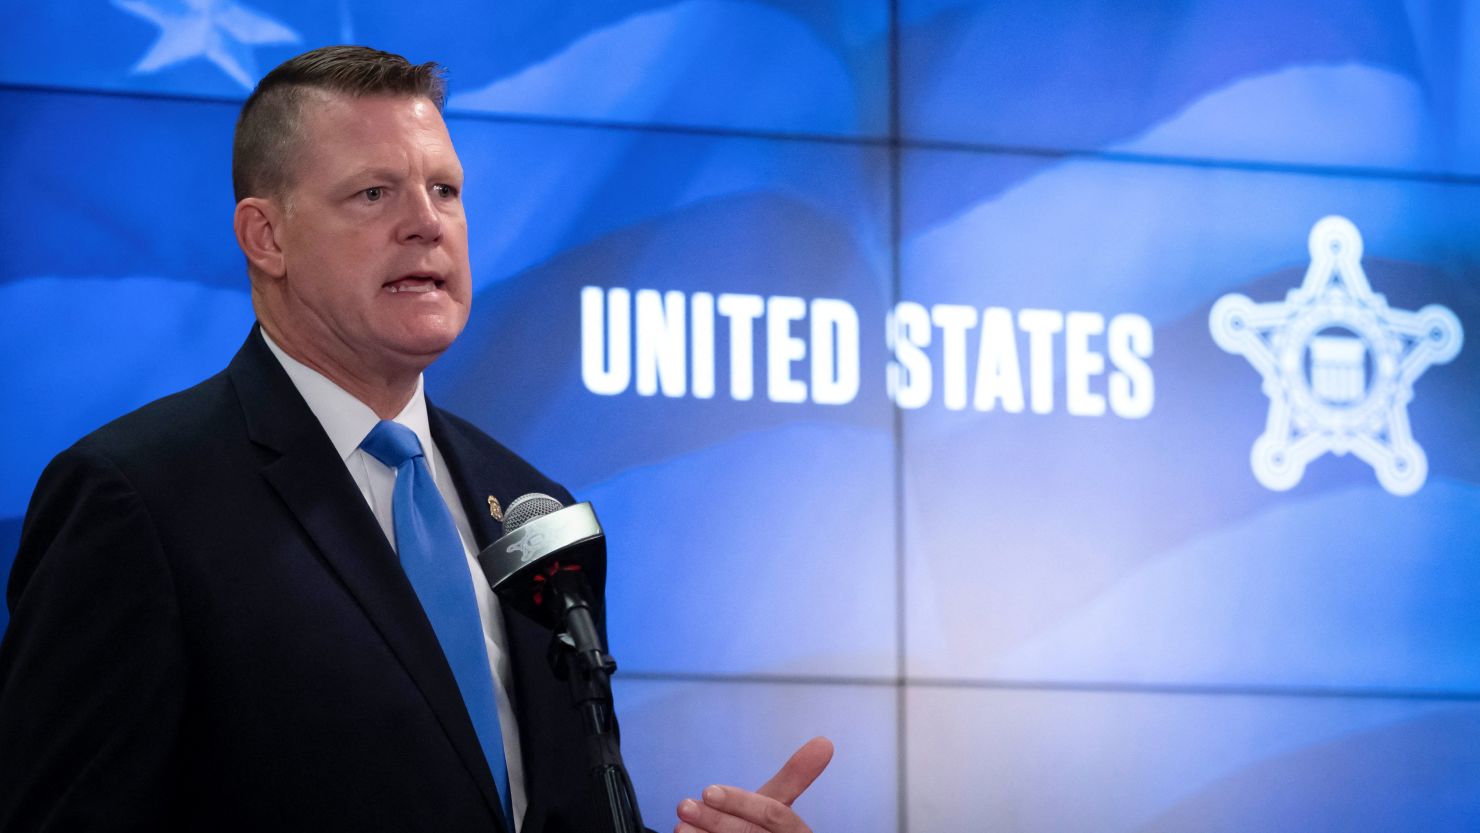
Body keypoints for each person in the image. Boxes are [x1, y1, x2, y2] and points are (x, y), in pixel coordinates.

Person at [0, 45, 831, 833]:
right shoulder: (138, 498)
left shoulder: (531, 509)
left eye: (445, 190)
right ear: (267, 237)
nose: (426, 224)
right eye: (373, 193)